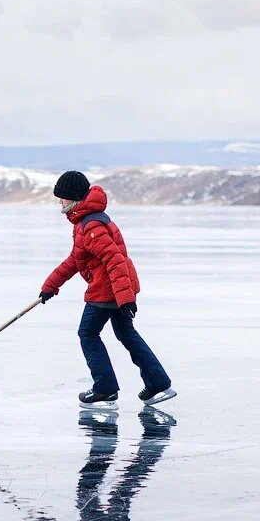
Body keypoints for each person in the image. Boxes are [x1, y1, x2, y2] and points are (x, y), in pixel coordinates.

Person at [38, 170, 175, 406]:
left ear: (72, 197)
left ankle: (105, 388)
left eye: (61, 196)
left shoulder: (91, 226)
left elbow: (115, 260)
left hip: (107, 290)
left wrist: (125, 299)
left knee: (87, 333)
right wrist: (51, 286)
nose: (59, 201)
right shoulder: (86, 221)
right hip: (116, 289)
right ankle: (157, 382)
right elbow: (75, 259)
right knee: (126, 334)